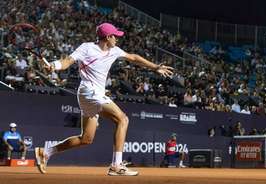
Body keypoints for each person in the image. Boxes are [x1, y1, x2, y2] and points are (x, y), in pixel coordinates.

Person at [34, 23, 174, 176]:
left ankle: (45, 152)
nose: (117, 39)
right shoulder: (86, 48)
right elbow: (68, 61)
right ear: (108, 37)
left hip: (90, 95)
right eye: (115, 36)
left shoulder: (114, 50)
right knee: (123, 119)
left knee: (86, 139)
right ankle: (116, 165)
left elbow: (133, 57)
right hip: (89, 92)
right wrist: (54, 65)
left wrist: (155, 67)